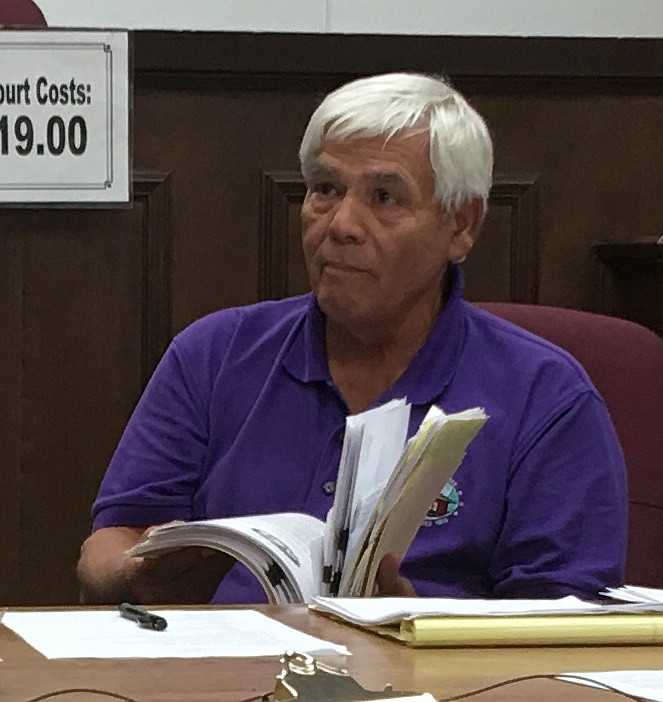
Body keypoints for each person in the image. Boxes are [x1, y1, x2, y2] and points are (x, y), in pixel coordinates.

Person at [77, 72, 627, 605]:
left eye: (384, 197)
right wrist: (130, 575)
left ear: (462, 225)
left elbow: (560, 623)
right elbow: (111, 543)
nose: (340, 224)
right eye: (325, 189)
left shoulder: (546, 396)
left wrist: (413, 626)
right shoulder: (214, 354)